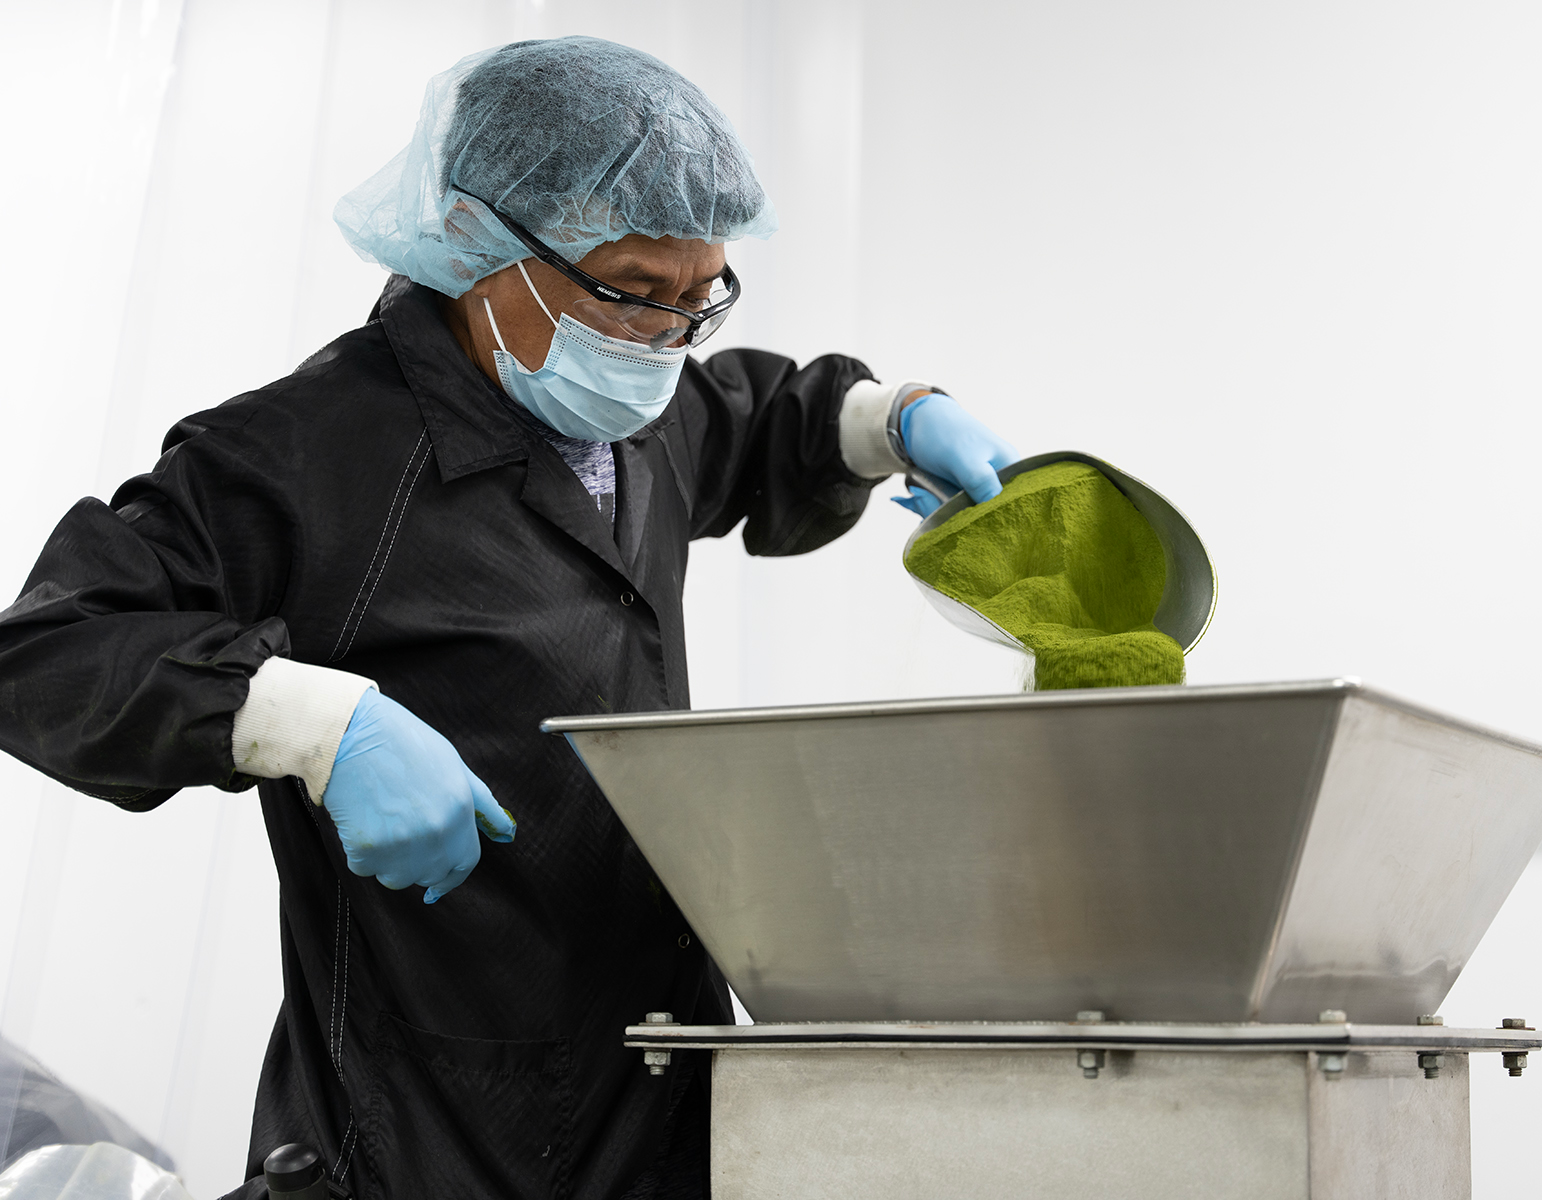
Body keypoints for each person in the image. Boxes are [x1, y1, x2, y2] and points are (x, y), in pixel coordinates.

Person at [0, 37, 1017, 1200]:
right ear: (485, 246)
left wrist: (892, 417)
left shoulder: (631, 404)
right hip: (427, 1125)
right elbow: (49, 649)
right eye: (636, 291)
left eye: (702, 299)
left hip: (656, 1087)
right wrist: (307, 726)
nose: (668, 341)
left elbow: (751, 414)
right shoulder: (297, 457)